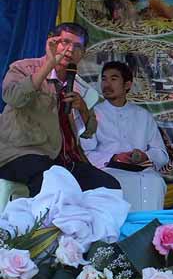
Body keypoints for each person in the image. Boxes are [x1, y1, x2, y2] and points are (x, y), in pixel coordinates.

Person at [0, 22, 121, 196]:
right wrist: (49, 64)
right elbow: (13, 97)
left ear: (82, 53)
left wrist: (83, 109)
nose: (70, 50)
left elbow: (89, 132)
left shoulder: (80, 86)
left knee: (109, 187)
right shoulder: (23, 68)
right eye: (65, 42)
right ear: (52, 42)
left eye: (77, 46)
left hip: (64, 159)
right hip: (20, 154)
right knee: (53, 182)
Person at [81, 62, 169, 211]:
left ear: (127, 85)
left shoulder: (143, 115)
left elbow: (161, 154)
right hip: (108, 169)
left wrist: (145, 156)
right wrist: (114, 157)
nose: (107, 84)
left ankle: (149, 225)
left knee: (155, 181)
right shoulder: (92, 114)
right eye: (104, 79)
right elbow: (85, 154)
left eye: (113, 79)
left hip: (142, 170)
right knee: (118, 182)